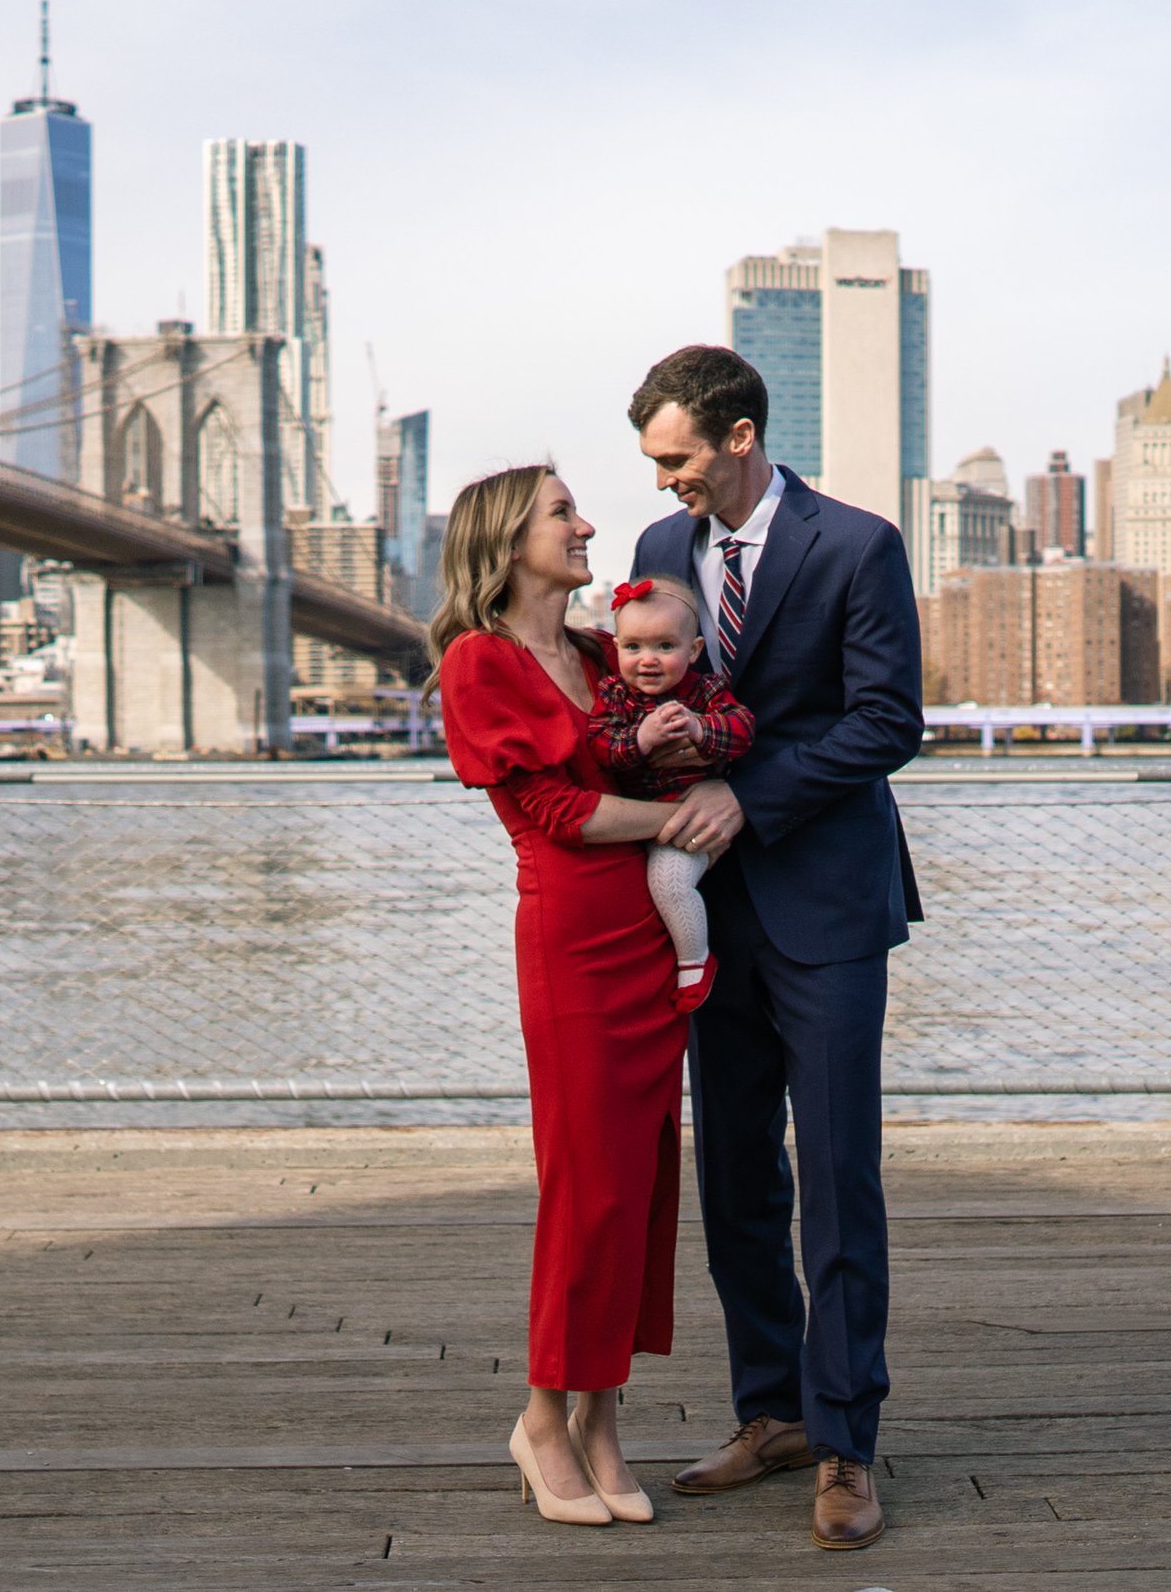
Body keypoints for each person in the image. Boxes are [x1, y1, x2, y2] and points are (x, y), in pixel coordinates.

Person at [627, 345, 923, 1552]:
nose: (663, 482)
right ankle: (774, 1409)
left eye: (677, 457)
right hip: (706, 908)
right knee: (736, 1170)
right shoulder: (657, 554)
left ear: (739, 435)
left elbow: (885, 720)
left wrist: (755, 794)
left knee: (839, 1172)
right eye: (653, 462)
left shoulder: (858, 544)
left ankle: (849, 1440)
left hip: (829, 899)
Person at [431, 464, 709, 1529]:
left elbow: (670, 745)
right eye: (563, 513)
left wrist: (710, 780)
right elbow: (553, 809)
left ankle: (601, 1416)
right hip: (575, 944)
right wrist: (682, 823)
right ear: (508, 540)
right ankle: (543, 1417)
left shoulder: (604, 651)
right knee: (585, 1188)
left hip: (650, 935)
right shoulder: (479, 660)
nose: (587, 523)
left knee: (639, 1187)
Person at [584, 574, 758, 1013]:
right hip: (635, 822)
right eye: (633, 647)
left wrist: (701, 729)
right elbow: (601, 748)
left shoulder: (706, 691)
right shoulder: (614, 695)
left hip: (689, 820)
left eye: (665, 647)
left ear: (694, 651)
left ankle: (694, 963)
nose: (648, 660)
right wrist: (641, 739)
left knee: (669, 881)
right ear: (617, 648)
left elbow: (743, 730)